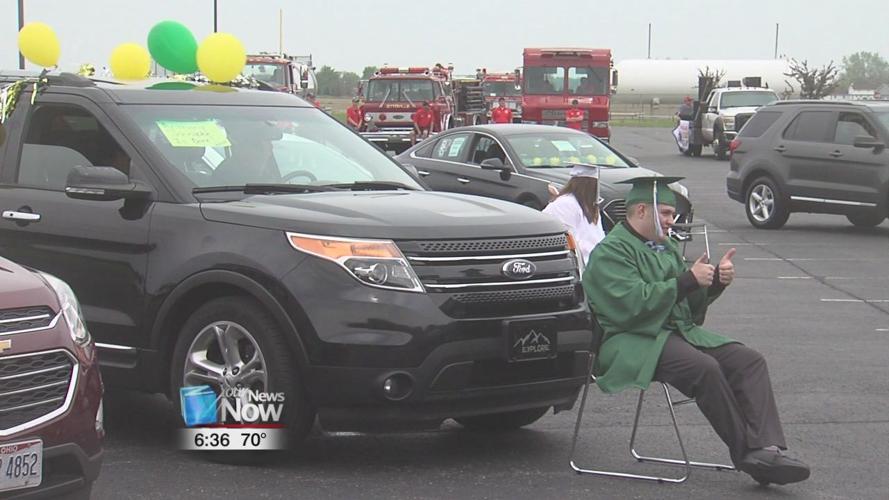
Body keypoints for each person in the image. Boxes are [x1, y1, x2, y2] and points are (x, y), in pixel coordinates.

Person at [581, 176, 811, 487]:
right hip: (630, 339)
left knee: (748, 360)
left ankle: (766, 448)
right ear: (639, 211)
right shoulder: (610, 252)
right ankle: (748, 455)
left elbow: (687, 307)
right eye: (664, 213)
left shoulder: (666, 247)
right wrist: (686, 280)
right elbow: (631, 306)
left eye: (670, 213)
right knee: (704, 368)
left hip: (673, 333)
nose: (671, 219)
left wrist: (714, 281)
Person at [542, 164, 605, 267]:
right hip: (573, 263)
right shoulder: (565, 204)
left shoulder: (589, 205)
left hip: (594, 261)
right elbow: (569, 238)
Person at [211, 121, 283, 186]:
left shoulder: (266, 174)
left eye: (269, 141)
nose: (270, 146)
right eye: (255, 143)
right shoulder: (228, 174)